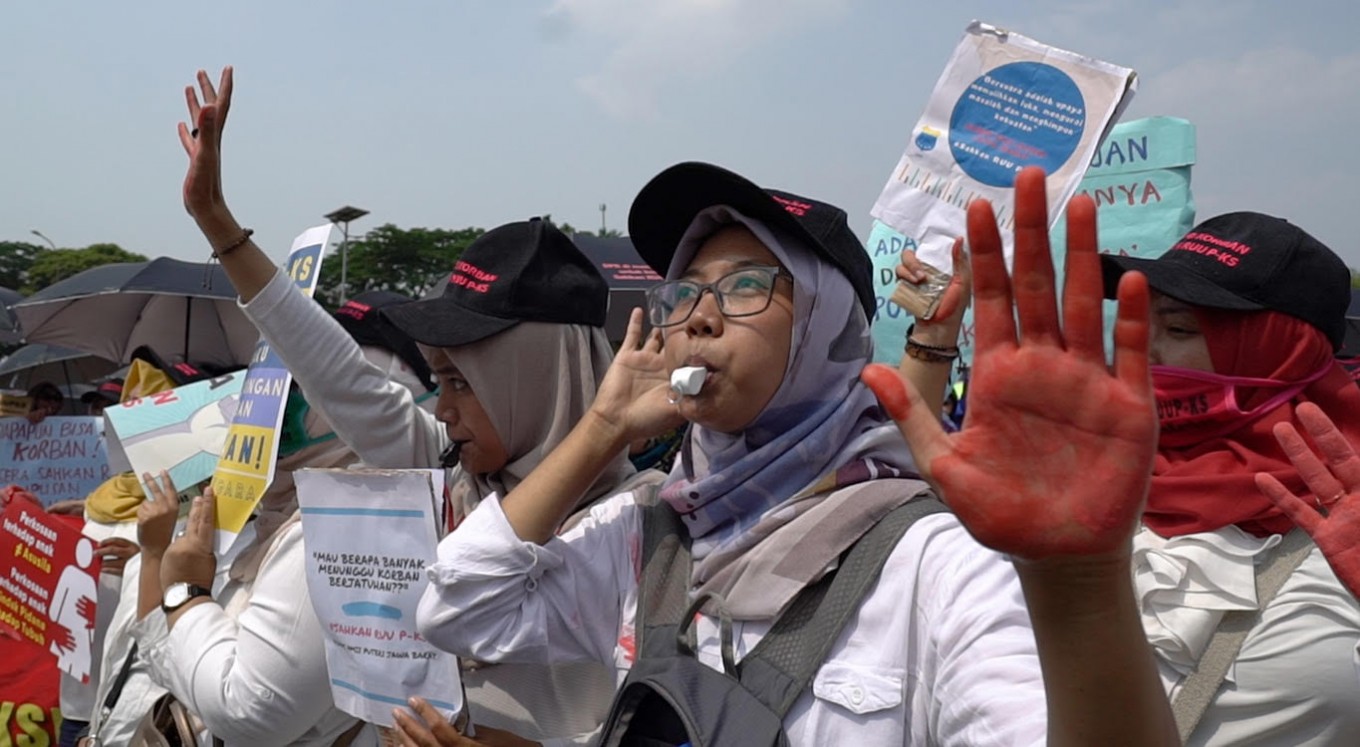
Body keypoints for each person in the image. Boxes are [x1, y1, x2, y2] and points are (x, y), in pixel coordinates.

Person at [413, 163, 1175, 745]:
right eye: (684, 293)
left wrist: (1078, 587)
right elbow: (459, 605)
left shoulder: (933, 559)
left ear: (826, 328)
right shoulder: (652, 529)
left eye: (747, 286)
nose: (699, 320)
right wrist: (604, 424)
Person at [177, 66, 657, 744]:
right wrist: (220, 226)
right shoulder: (445, 475)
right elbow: (336, 371)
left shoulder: (643, 523)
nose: (445, 407)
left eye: (464, 382)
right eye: (438, 378)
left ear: (535, 381)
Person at [1098, 213, 1360, 745]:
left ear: (1279, 349)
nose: (1142, 352)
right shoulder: (1086, 487)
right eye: (1134, 325)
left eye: (1177, 329)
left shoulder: (1347, 508)